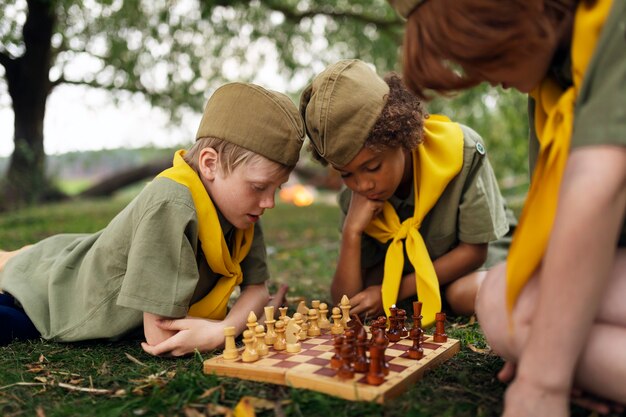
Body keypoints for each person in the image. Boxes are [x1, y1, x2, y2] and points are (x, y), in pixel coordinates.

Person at [391, 0, 626, 415]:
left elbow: (598, 188)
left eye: (479, 53)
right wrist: (549, 343)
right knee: (501, 303)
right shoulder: (551, 88)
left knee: (511, 306)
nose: (480, 77)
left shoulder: (614, 23)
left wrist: (542, 380)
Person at [0, 82, 304, 356]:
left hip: (73, 258)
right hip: (53, 298)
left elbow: (257, 290)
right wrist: (230, 328)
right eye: (259, 187)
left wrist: (228, 325)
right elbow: (160, 337)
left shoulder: (246, 211)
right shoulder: (172, 202)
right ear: (210, 164)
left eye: (277, 188)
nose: (269, 202)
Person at [299, 59, 514, 326]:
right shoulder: (356, 196)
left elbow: (474, 252)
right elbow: (347, 300)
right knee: (374, 292)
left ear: (401, 138)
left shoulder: (461, 152)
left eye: (373, 167)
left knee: (461, 295)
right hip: (410, 269)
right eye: (346, 174)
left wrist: (390, 292)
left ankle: (530, 281)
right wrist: (351, 234)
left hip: (474, 262)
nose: (363, 185)